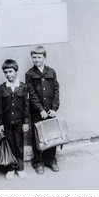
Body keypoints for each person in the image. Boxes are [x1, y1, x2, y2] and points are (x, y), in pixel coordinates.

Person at [25, 45, 60, 174]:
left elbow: (56, 90)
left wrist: (54, 108)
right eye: (34, 57)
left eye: (39, 57)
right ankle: (38, 161)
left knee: (51, 135)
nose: (36, 60)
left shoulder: (51, 72)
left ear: (44, 57)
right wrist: (40, 109)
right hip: (37, 111)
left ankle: (50, 159)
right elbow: (31, 93)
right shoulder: (29, 74)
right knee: (37, 136)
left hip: (51, 110)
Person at [0, 59, 29, 180]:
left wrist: (26, 122)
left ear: (16, 71)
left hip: (19, 123)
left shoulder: (23, 87)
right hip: (7, 123)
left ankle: (20, 168)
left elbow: (26, 106)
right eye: (6, 72)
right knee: (9, 145)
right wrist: (1, 123)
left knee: (19, 144)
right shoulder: (2, 88)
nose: (8, 75)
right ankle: (10, 168)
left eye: (11, 71)